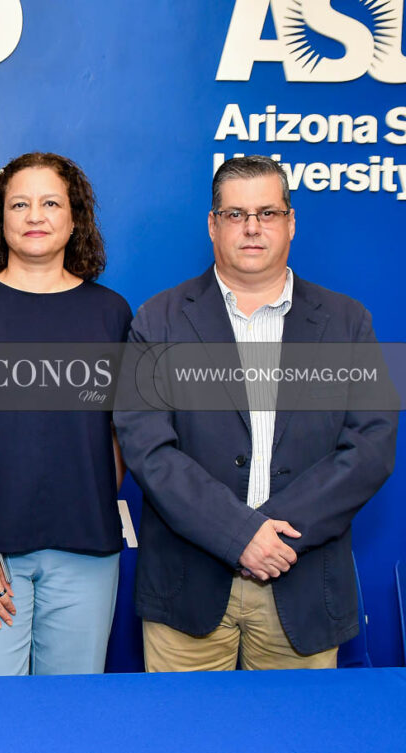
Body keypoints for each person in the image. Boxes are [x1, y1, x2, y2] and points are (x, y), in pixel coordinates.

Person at [114, 155, 398, 671]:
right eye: (235, 214)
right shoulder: (158, 320)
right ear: (212, 225)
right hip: (189, 587)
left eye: (267, 213)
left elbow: (371, 444)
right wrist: (238, 534)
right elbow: (147, 446)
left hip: (303, 577)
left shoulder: (346, 321)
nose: (251, 228)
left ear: (290, 222)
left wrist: (273, 534)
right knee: (187, 739)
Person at [0, 152, 132, 676]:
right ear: (0, 219)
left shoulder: (111, 313)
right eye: (20, 204)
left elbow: (123, 434)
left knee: (69, 720)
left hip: (87, 552)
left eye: (50, 202)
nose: (35, 215)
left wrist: (92, 498)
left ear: (74, 217)